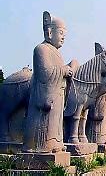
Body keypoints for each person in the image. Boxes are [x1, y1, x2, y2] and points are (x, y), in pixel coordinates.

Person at [23, 11, 78, 153]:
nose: (63, 38)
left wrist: (68, 70)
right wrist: (65, 70)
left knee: (55, 123)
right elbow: (45, 73)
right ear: (49, 32)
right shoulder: (41, 49)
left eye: (64, 35)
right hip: (45, 96)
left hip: (57, 94)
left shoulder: (56, 52)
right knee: (44, 124)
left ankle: (55, 143)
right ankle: (40, 145)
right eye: (60, 33)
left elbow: (57, 69)